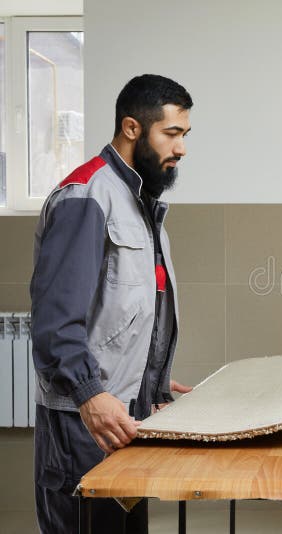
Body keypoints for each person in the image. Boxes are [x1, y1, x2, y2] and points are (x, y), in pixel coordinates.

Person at [30, 74, 194, 533]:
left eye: (185, 135)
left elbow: (124, 314)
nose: (181, 149)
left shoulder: (140, 203)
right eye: (172, 134)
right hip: (84, 424)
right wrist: (89, 396)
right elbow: (56, 323)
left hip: (124, 417)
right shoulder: (86, 197)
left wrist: (153, 384)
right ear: (132, 128)